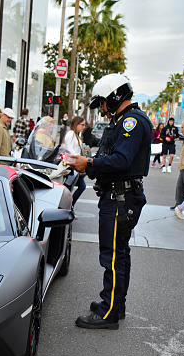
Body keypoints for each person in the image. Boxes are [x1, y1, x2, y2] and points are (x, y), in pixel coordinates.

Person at [67, 74, 151, 330]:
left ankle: (108, 313)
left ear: (115, 96)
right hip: (120, 196)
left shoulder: (131, 123)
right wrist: (89, 165)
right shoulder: (124, 121)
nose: (102, 108)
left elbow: (121, 161)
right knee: (120, 254)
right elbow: (110, 156)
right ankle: (115, 304)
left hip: (120, 199)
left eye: (103, 102)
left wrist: (89, 163)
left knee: (112, 257)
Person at [59, 116, 87, 206]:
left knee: (77, 187)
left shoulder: (76, 135)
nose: (83, 127)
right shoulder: (71, 134)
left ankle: (70, 206)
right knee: (71, 187)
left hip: (74, 165)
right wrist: (80, 158)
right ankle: (69, 206)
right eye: (82, 125)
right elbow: (69, 149)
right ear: (76, 124)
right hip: (70, 165)